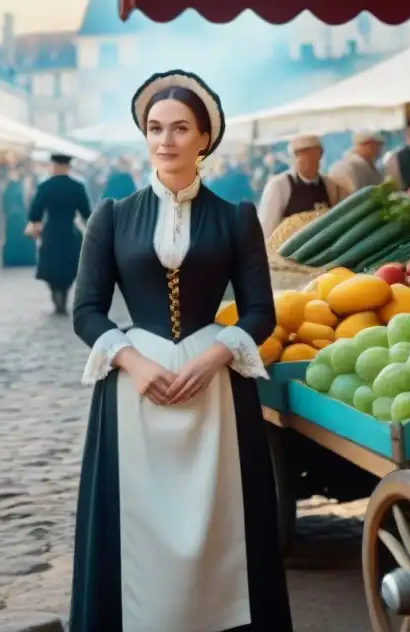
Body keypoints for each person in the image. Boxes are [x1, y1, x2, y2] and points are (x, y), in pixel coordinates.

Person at [70, 70, 293, 632]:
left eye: (180, 128)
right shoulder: (113, 216)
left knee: (221, 526)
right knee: (137, 529)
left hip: (215, 391)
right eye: (155, 128)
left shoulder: (236, 216)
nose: (166, 139)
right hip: (133, 399)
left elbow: (260, 312)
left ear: (203, 140)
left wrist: (215, 356)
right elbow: (87, 311)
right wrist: (133, 363)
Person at [25, 153, 92, 314]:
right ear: (68, 166)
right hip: (70, 232)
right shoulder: (77, 186)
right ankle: (64, 293)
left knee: (52, 266)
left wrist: (36, 223)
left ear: (53, 166)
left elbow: (35, 213)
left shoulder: (45, 186)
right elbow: (86, 212)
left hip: (51, 232)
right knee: (69, 266)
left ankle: (56, 293)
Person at [256, 133, 349, 239]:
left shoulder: (330, 185)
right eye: (302, 155)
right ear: (294, 157)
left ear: (320, 155)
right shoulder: (279, 186)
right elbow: (266, 230)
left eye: (313, 156)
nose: (308, 162)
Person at [1, 167, 37, 269]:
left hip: (14, 217)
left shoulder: (11, 187)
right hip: (20, 216)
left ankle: (14, 258)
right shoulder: (18, 187)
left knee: (15, 237)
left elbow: (5, 203)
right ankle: (24, 258)